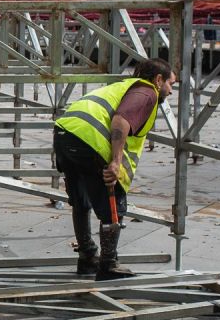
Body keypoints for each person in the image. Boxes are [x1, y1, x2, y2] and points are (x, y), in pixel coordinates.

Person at [54, 58, 176, 281]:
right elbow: (121, 120)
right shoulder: (147, 91)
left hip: (65, 134)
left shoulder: (123, 87)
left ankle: (87, 257)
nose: (171, 91)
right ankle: (108, 263)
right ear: (159, 80)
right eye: (171, 84)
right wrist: (116, 162)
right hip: (88, 140)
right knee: (114, 203)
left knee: (80, 202)